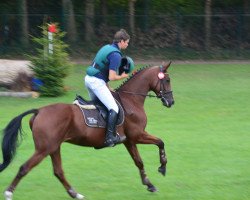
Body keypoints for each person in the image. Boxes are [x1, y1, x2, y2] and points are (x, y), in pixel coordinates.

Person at [84, 29, 134, 147]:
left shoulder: (106, 47)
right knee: (114, 108)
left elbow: (101, 68)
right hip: (96, 83)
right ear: (121, 41)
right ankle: (109, 138)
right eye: (127, 42)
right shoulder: (116, 55)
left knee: (99, 106)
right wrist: (122, 76)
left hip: (89, 79)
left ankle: (97, 133)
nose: (127, 44)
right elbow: (111, 76)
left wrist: (107, 87)